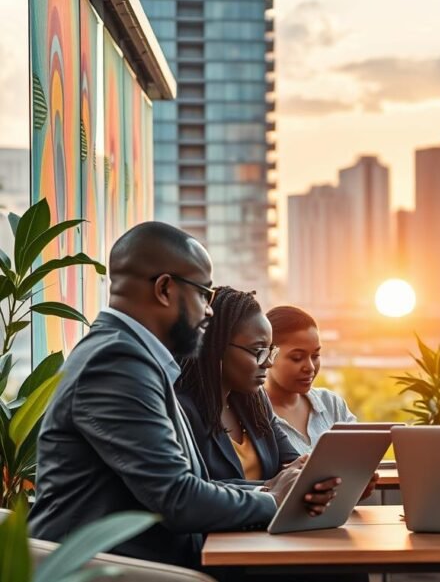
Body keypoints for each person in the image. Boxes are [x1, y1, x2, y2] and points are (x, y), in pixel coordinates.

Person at [28, 222, 340, 569]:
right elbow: (178, 499)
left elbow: (193, 486)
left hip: (147, 561)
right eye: (204, 294)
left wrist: (271, 490)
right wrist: (275, 499)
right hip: (109, 570)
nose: (209, 311)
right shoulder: (116, 363)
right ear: (165, 289)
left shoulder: (132, 358)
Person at [177, 288, 301, 483]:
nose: (268, 362)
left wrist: (326, 479)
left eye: (271, 351)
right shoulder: (181, 409)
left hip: (274, 514)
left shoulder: (255, 401)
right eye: (258, 350)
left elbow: (292, 462)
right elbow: (195, 490)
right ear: (218, 347)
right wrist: (270, 489)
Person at [265, 305, 358, 455]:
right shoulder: (253, 415)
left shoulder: (331, 404)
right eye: (297, 358)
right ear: (268, 355)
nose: (310, 367)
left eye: (315, 356)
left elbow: (357, 454)